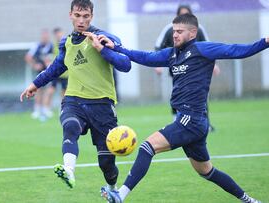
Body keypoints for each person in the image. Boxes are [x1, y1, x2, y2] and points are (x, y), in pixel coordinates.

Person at [100, 14, 267, 203]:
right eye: (174, 32)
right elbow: (146, 57)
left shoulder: (203, 49)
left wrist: (265, 41)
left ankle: (120, 195)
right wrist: (117, 48)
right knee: (206, 171)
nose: (175, 35)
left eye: (180, 32)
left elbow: (237, 50)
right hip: (194, 122)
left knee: (147, 147)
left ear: (193, 32)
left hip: (191, 119)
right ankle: (249, 200)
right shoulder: (172, 54)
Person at [20, 0, 131, 190]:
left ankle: (112, 191)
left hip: (102, 105)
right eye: (77, 15)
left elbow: (125, 65)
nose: (81, 20)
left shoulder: (103, 37)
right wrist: (35, 84)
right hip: (74, 100)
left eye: (86, 16)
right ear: (70, 15)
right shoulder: (66, 42)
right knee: (70, 126)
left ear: (92, 16)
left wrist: (102, 49)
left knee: (106, 164)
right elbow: (55, 68)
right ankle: (69, 171)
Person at [155, 4, 219, 131]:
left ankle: (205, 123)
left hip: (196, 71)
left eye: (186, 14)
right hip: (177, 70)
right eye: (181, 14)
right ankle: (176, 121)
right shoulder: (170, 29)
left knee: (200, 94)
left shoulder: (198, 29)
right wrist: (157, 64)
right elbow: (158, 46)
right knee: (177, 93)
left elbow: (209, 47)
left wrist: (214, 64)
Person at [24, 29, 54, 121]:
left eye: (46, 36)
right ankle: (37, 110)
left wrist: (50, 63)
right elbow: (28, 57)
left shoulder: (51, 46)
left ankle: (46, 109)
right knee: (38, 90)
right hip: (39, 72)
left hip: (50, 72)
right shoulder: (37, 46)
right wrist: (35, 65)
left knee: (49, 90)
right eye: (43, 36)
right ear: (41, 37)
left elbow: (55, 57)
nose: (45, 38)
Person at [42, 27, 68, 115]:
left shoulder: (67, 43)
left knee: (64, 93)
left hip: (65, 73)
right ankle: (45, 109)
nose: (58, 35)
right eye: (56, 34)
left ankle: (63, 109)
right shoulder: (52, 45)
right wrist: (49, 66)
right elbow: (46, 57)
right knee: (50, 90)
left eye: (59, 33)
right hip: (55, 73)